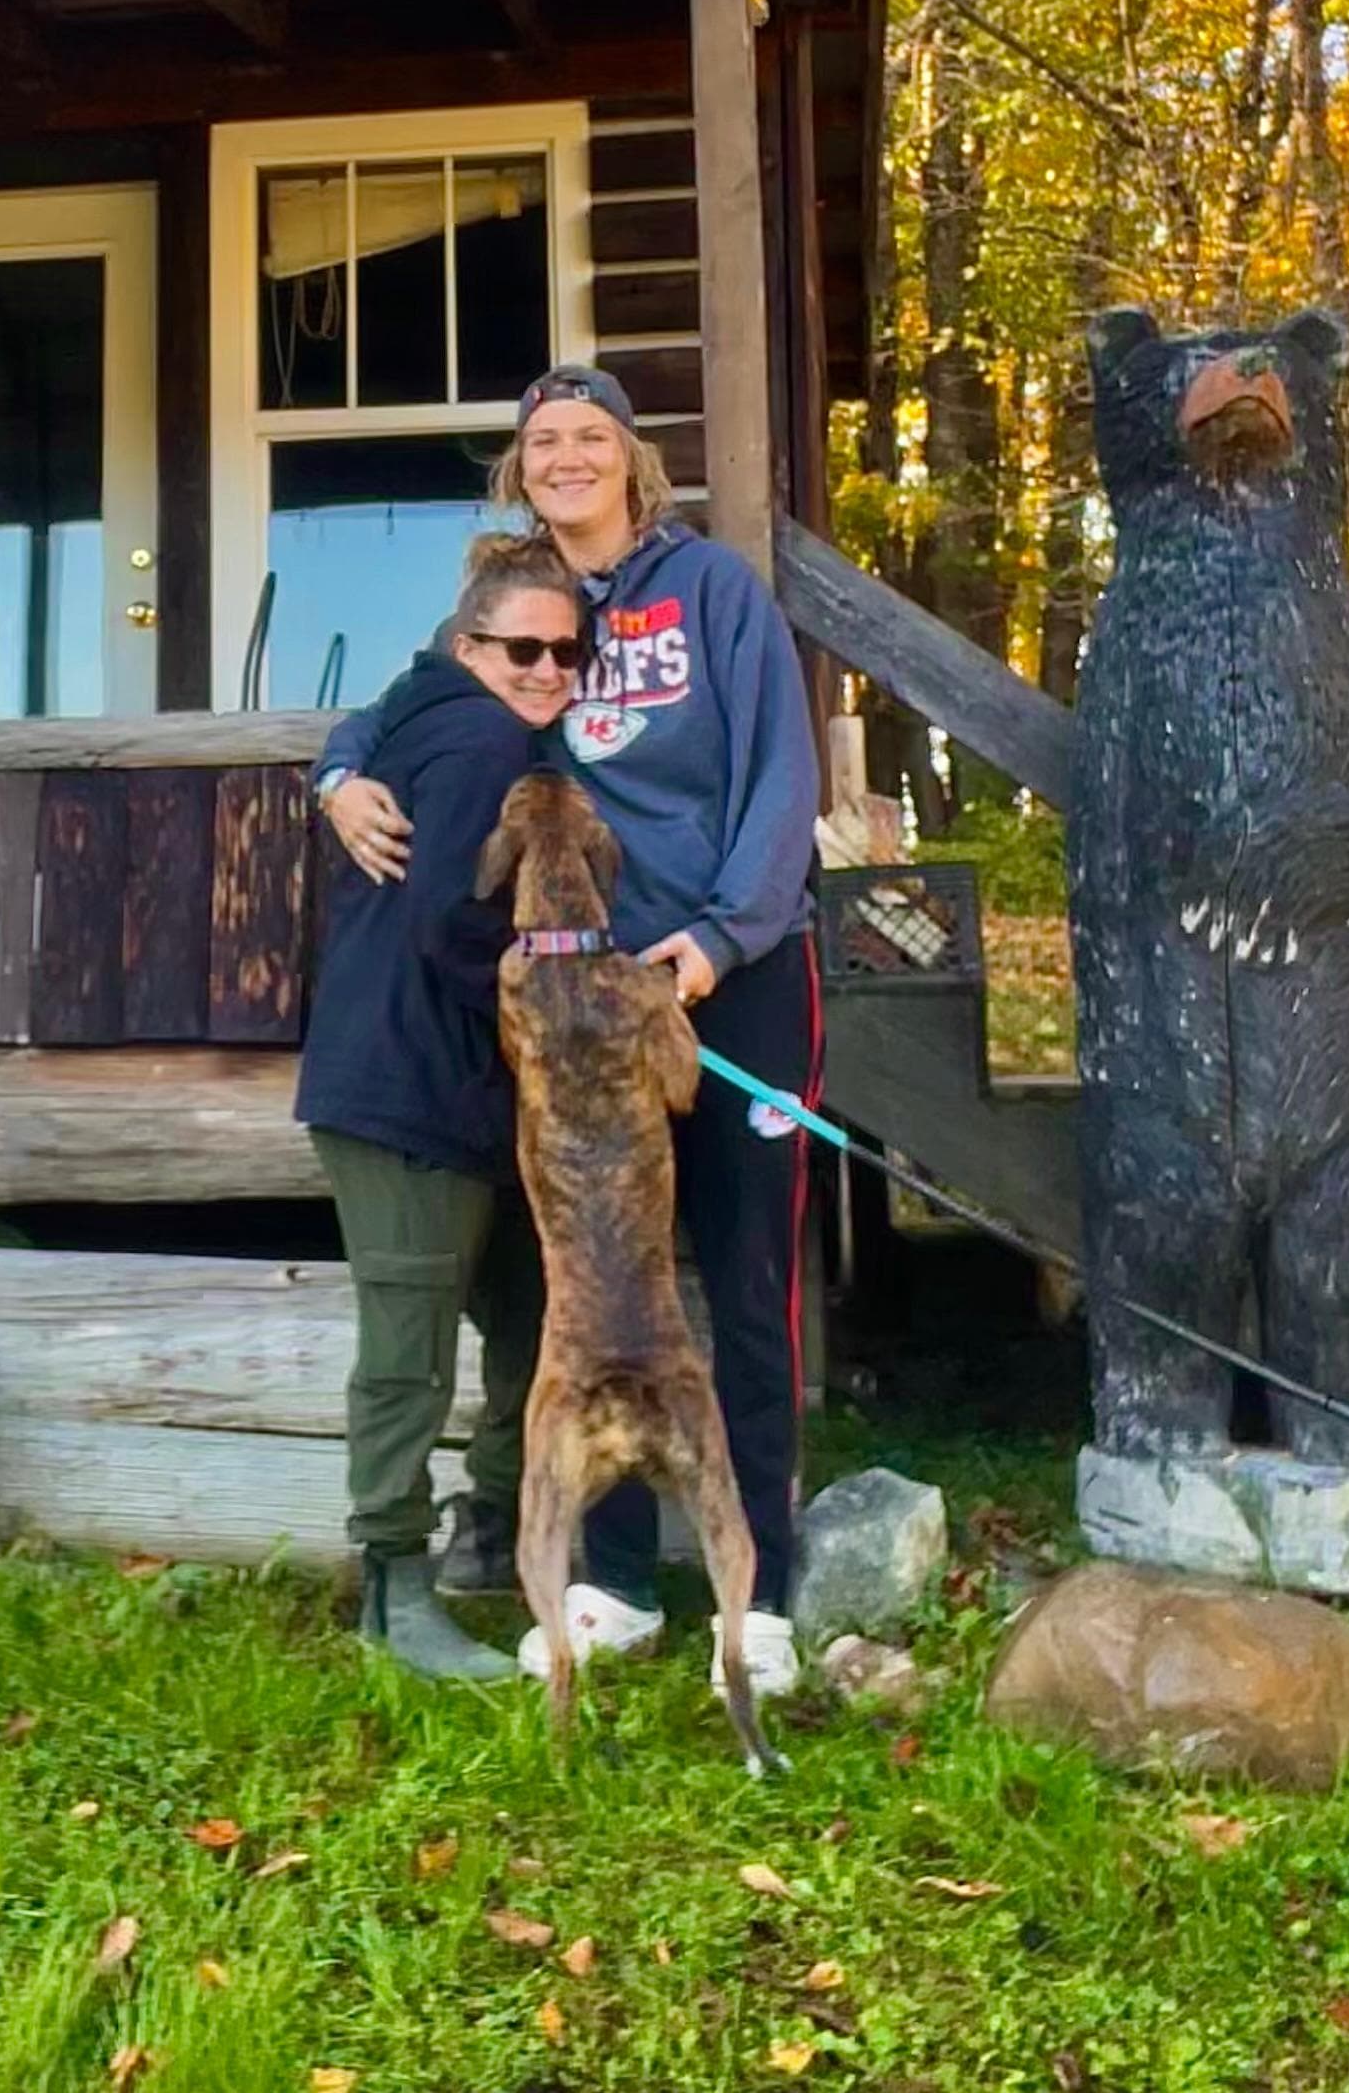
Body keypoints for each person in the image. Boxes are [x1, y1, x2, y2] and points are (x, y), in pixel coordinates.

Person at [315, 363, 821, 1698]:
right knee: (601, 1290)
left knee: (742, 1280)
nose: (567, 457)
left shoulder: (711, 591)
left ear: (633, 459)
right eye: (545, 440)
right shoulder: (528, 604)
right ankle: (615, 1584)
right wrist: (335, 774)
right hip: (587, 992)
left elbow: (784, 772)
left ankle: (763, 1590)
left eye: (592, 435)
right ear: (520, 468)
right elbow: (400, 702)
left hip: (726, 971)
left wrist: (722, 939)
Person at [296, 531, 587, 1680]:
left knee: (529, 1310)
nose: (549, 670)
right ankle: (393, 1585)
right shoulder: (483, 740)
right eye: (524, 649)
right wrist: (568, 997)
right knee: (408, 1349)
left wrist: (336, 771)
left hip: (459, 1084)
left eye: (568, 652)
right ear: (468, 647)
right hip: (407, 1084)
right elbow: (453, 923)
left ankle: (492, 1535)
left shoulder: (416, 716)